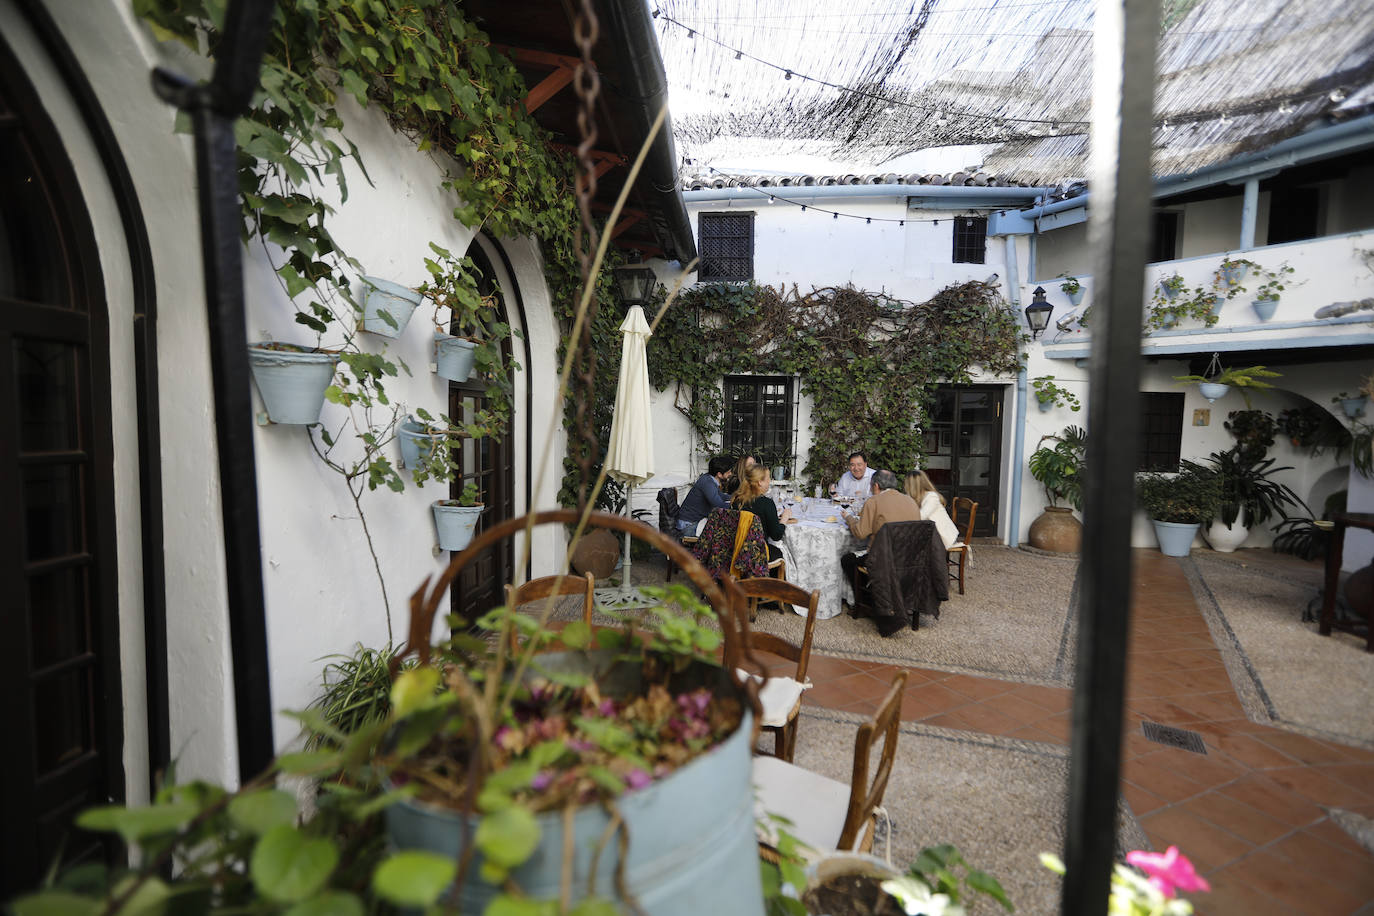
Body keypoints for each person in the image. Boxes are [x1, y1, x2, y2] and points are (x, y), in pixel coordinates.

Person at [732, 463, 797, 564]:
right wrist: (784, 519)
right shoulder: (766, 503)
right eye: (768, 478)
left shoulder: (736, 500)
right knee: (785, 554)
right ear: (760, 482)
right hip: (758, 553)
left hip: (735, 549)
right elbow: (776, 535)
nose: (770, 481)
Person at [904, 470, 962, 550]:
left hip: (943, 536)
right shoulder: (918, 497)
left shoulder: (931, 497)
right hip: (931, 534)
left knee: (907, 542)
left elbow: (921, 517)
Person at [678, 456, 733, 534]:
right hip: (688, 525)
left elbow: (722, 496)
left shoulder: (709, 479)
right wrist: (738, 506)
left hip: (692, 521)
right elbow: (719, 505)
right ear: (719, 474)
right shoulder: (708, 483)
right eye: (728, 472)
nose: (730, 474)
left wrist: (738, 497)